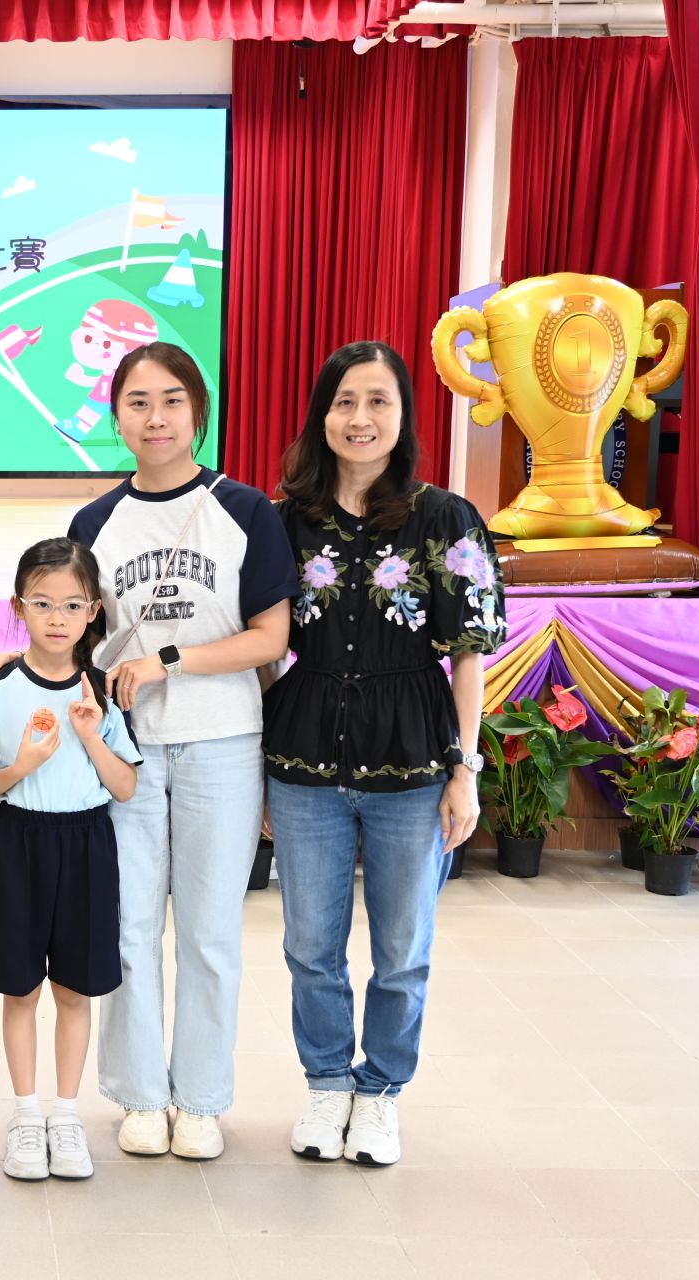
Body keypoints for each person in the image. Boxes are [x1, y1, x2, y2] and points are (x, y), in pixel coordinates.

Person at [0, 341, 296, 1158]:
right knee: (127, 926)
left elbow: (270, 637)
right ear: (116, 415)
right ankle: (139, 1096)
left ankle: (202, 1099)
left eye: (171, 401)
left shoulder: (246, 511)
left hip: (222, 741)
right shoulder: (95, 523)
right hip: (122, 751)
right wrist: (13, 665)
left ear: (199, 411)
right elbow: (73, 631)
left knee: (209, 932)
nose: (155, 418)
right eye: (137, 403)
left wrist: (169, 660)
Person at [266, 341, 505, 1167]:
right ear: (321, 415)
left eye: (378, 401)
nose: (360, 419)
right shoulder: (285, 520)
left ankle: (380, 1093)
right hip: (304, 758)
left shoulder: (446, 518)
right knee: (310, 946)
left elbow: (469, 654)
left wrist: (465, 769)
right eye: (344, 402)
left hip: (415, 760)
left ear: (402, 416)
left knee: (402, 951)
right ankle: (327, 1082)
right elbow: (264, 644)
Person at [0, 538, 140, 1181]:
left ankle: (66, 1117)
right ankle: (25, 1115)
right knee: (20, 988)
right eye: (41, 603)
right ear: (18, 607)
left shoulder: (102, 690)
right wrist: (21, 766)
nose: (57, 618)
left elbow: (125, 786)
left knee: (74, 989)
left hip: (87, 844)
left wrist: (90, 735)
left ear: (93, 611)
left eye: (72, 604)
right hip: (18, 843)